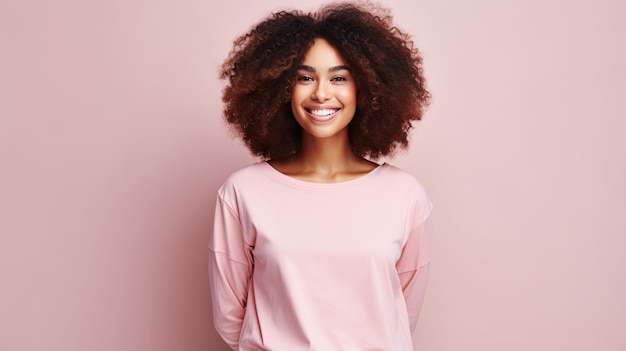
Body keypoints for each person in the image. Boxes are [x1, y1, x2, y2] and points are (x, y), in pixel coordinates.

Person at [209, 2, 432, 350]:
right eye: (305, 77)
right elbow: (229, 316)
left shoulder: (405, 196)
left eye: (339, 78)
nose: (322, 93)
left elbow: (401, 314)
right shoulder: (243, 192)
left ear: (368, 88)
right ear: (282, 88)